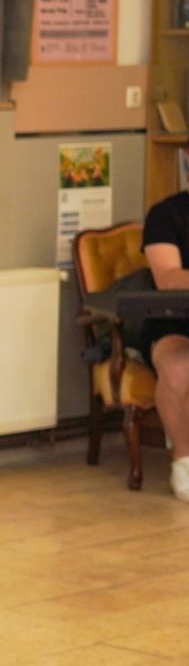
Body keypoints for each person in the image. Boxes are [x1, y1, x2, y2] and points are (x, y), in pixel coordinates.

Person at [142, 189, 189, 501]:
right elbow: (168, 277)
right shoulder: (166, 214)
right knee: (178, 366)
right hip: (175, 321)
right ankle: (185, 462)